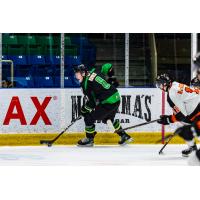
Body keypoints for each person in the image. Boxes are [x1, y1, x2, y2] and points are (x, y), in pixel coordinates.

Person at [74, 64, 133, 147]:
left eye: (77, 73)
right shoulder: (94, 70)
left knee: (88, 118)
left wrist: (84, 110)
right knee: (108, 119)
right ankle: (124, 135)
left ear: (83, 73)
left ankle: (89, 139)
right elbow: (108, 66)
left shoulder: (86, 84)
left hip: (108, 102)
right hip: (116, 98)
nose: (76, 75)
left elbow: (92, 103)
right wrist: (112, 77)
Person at [156, 73, 200, 157]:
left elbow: (182, 116)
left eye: (159, 84)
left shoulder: (171, 95)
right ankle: (192, 147)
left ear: (164, 84)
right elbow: (181, 105)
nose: (159, 86)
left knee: (184, 128)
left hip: (197, 109)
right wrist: (172, 116)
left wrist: (168, 119)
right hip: (197, 105)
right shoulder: (175, 84)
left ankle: (192, 148)